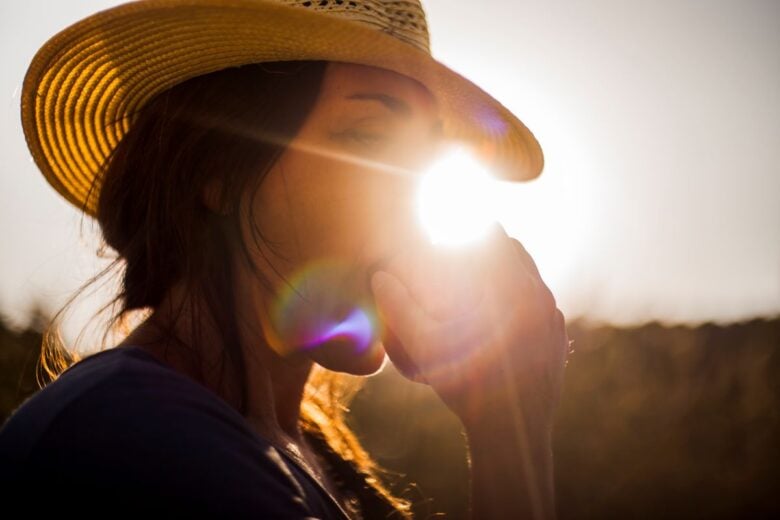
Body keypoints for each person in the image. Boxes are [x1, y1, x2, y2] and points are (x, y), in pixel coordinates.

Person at [0, 1, 569, 518]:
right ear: (215, 170)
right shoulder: (132, 437)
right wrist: (508, 440)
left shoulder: (301, 451)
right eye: (372, 139)